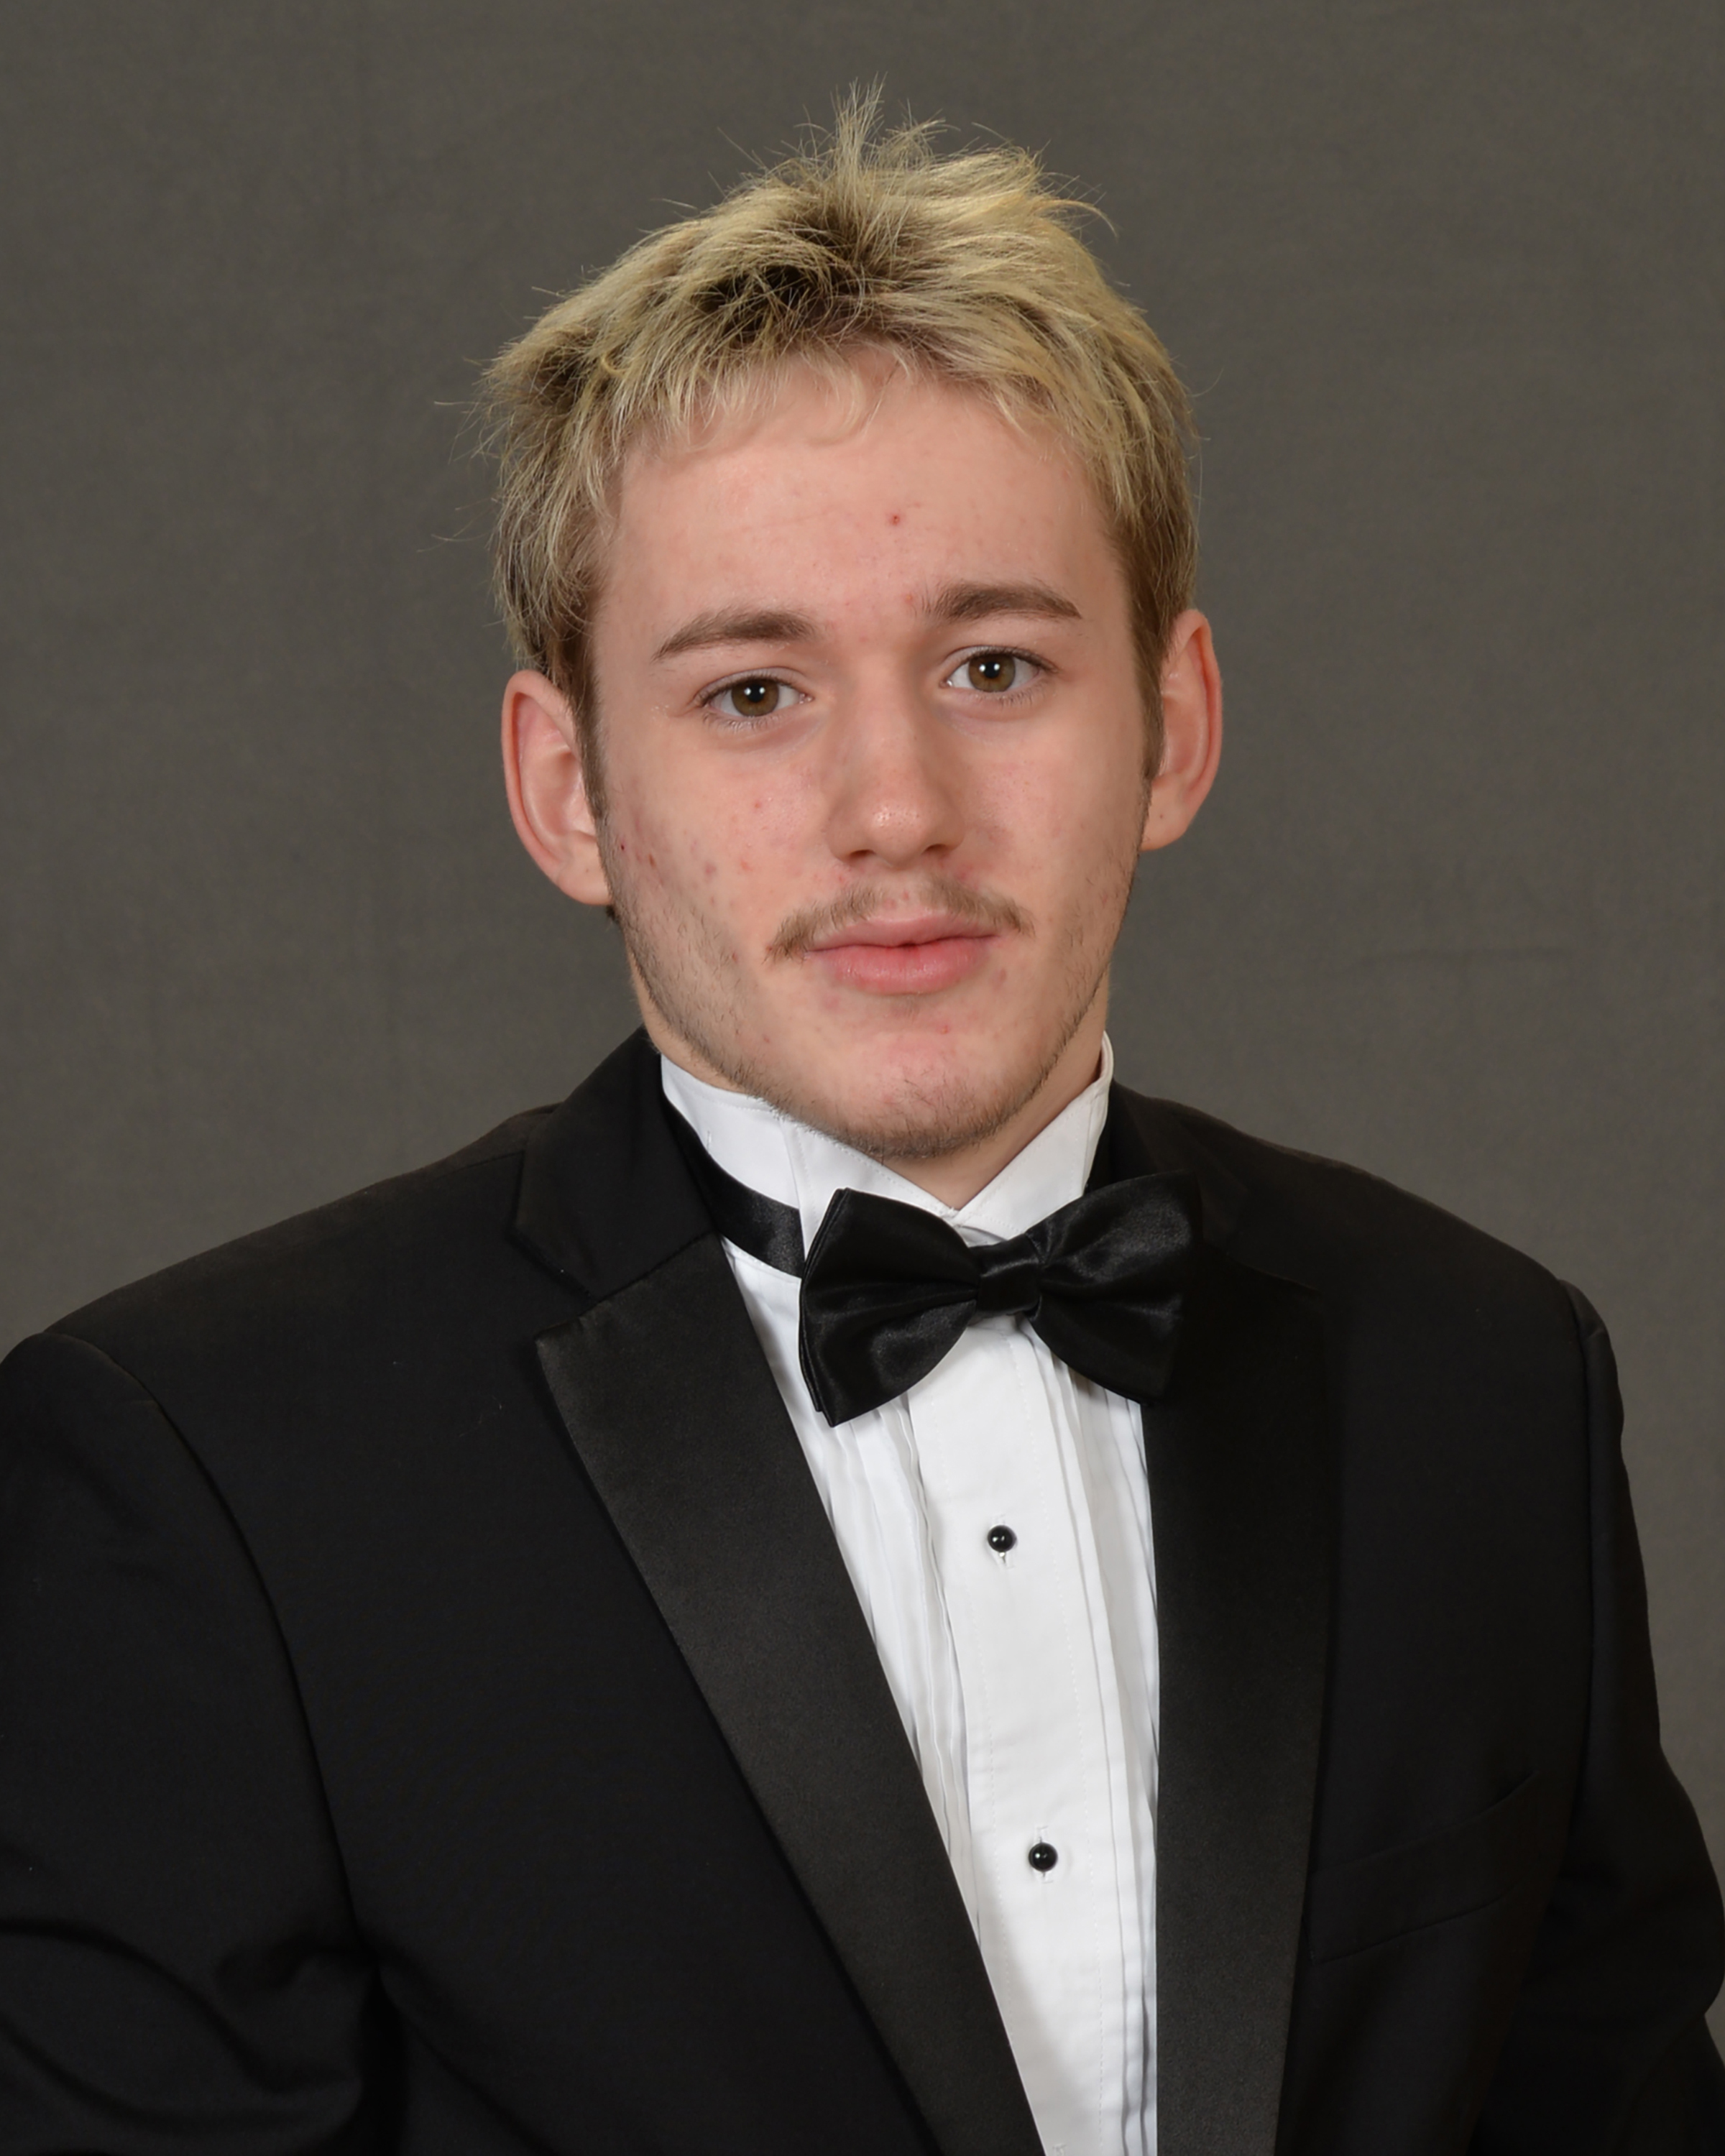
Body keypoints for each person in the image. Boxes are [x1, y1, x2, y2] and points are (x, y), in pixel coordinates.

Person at [1, 103, 1720, 2156]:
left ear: (1174, 726)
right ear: (567, 790)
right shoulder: (200, 1475)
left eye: (994, 665)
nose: (896, 808)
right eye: (753, 693)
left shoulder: (1488, 1377)